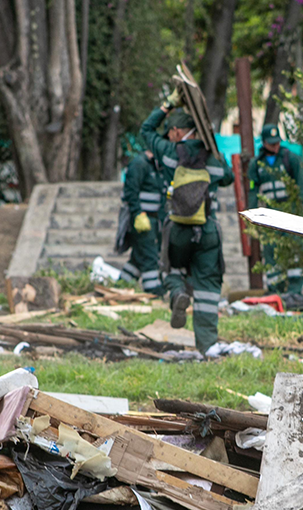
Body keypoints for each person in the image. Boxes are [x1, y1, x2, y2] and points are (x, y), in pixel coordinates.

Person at [140, 92, 233, 351]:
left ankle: (178, 294)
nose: (169, 135)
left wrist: (168, 104)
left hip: (178, 229)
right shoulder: (212, 157)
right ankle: (208, 346)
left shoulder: (169, 153)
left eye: (171, 131)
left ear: (180, 131)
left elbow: (145, 130)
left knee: (171, 269)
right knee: (208, 287)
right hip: (208, 231)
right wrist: (213, 147)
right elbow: (228, 178)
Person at [247, 124, 303, 294]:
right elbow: (252, 191)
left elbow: (302, 188)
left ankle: (295, 291)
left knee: (294, 252)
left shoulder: (291, 159)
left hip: (291, 212)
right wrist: (252, 216)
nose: (275, 146)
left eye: (277, 143)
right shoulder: (256, 164)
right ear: (264, 143)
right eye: (271, 143)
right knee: (271, 253)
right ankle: (276, 291)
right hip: (270, 214)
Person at [116, 149, 167, 295]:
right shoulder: (139, 164)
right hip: (142, 220)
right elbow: (130, 191)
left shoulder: (156, 166)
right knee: (149, 255)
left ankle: (121, 286)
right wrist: (137, 213)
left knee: (138, 258)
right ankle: (153, 290)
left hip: (153, 220)